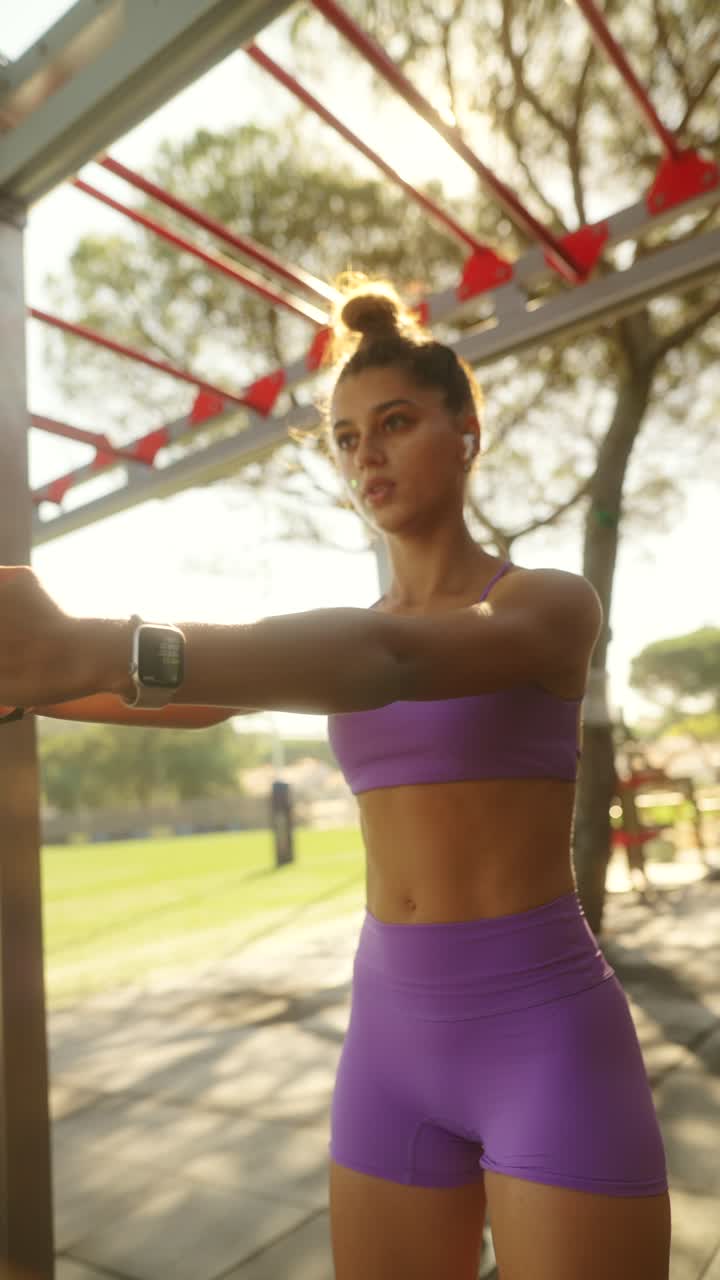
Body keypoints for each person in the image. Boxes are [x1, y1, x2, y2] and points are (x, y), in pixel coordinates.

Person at [0, 276, 670, 1279]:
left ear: (467, 429)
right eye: (348, 438)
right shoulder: (336, 632)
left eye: (394, 423)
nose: (368, 455)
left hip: (545, 1038)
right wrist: (29, 678)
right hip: (387, 1038)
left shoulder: (546, 606)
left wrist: (95, 643)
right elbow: (208, 695)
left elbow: (389, 661)